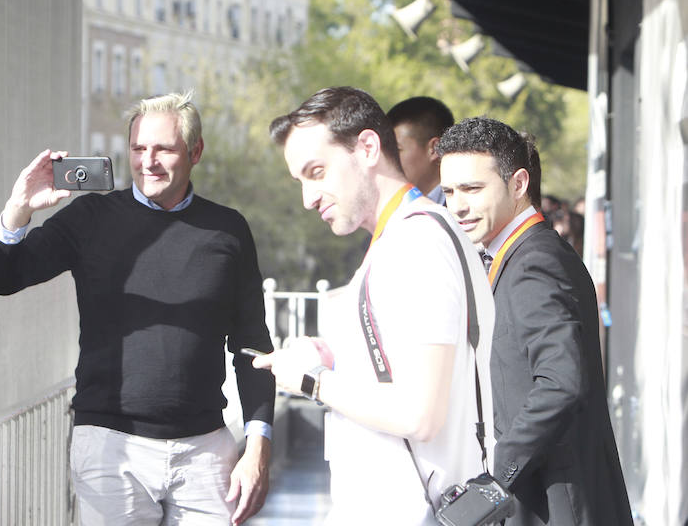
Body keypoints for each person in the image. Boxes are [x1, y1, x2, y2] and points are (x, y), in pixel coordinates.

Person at [0, 91, 275, 525]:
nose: (148, 161)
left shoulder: (228, 229)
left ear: (195, 151)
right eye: (138, 149)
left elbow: (252, 346)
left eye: (163, 149)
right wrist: (19, 207)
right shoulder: (90, 217)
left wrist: (258, 446)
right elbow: (0, 278)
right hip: (109, 447)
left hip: (206, 452)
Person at [255, 87, 495, 524]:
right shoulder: (402, 239)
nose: (308, 198)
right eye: (301, 181)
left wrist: (312, 382)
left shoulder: (417, 243)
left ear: (367, 147)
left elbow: (419, 413)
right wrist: (331, 355)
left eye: (317, 171)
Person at [437, 117, 632, 525]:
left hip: (555, 504)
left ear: (518, 184)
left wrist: (495, 477)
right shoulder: (526, 254)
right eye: (450, 191)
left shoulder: (533, 262)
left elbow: (560, 382)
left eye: (473, 189)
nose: (457, 205)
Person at [386, 96, 455, 205]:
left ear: (435, 148)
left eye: (397, 150)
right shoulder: (392, 208)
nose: (388, 159)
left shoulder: (462, 208)